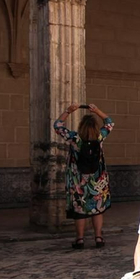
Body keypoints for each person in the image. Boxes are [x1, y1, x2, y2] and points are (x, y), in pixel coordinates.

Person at [53, 103, 113, 248]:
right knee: (97, 209)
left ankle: (79, 239)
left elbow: (57, 125)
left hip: (78, 181)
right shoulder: (99, 137)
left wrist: (69, 111)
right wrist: (97, 110)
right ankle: (98, 237)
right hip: (98, 181)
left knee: (80, 210)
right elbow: (109, 122)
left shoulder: (74, 139)